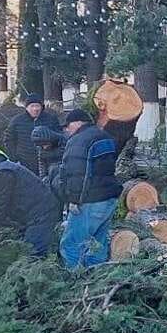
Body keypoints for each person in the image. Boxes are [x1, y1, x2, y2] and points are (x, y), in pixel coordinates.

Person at [0, 144, 60, 257]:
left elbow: (0, 207)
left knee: (32, 254)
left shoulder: (0, 174)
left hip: (41, 213)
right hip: (34, 212)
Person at [54, 108, 122, 269]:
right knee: (97, 243)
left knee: (71, 244)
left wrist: (74, 200)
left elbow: (78, 174)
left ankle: (74, 282)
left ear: (77, 123)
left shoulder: (79, 141)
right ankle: (96, 280)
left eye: (67, 125)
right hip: (109, 198)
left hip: (89, 200)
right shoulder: (106, 137)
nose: (66, 130)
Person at [4, 94, 62, 175]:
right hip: (24, 164)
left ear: (42, 107)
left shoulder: (51, 119)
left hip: (47, 163)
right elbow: (9, 140)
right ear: (26, 107)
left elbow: (59, 137)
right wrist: (14, 158)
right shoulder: (17, 121)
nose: (35, 109)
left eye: (37, 106)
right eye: (32, 106)